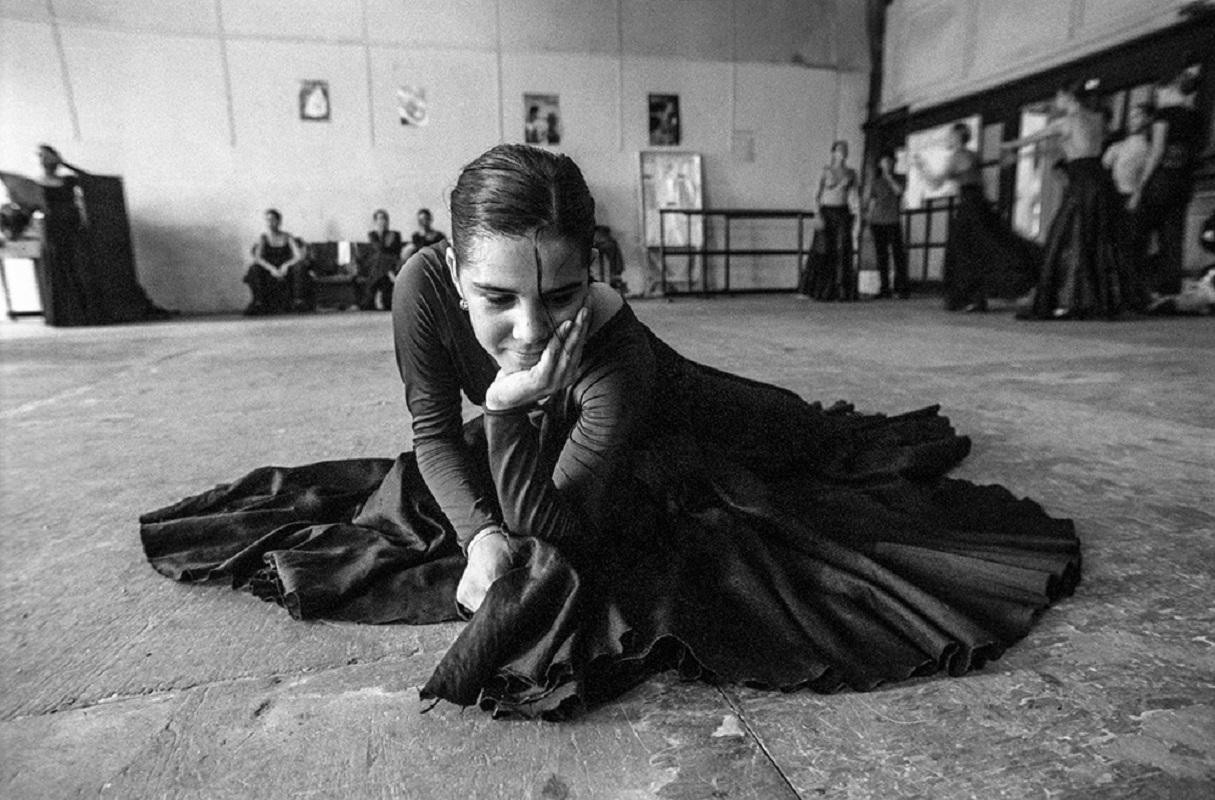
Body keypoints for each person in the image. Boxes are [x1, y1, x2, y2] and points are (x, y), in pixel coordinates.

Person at [141, 144, 1080, 720]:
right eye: (496, 299)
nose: (529, 327)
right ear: (450, 269)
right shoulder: (417, 288)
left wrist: (506, 411)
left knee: (789, 435)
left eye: (555, 295)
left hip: (671, 407)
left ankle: (818, 431)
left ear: (589, 272)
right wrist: (476, 534)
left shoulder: (611, 352)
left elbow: (555, 528)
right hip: (556, 428)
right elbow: (433, 427)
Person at [1001, 82, 1136, 320]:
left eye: (1059, 96)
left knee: (1062, 239)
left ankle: (1066, 299)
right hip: (1100, 182)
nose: (1056, 102)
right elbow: (1082, 146)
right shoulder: (1097, 120)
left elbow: (1032, 139)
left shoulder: (1064, 123)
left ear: (1069, 97)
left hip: (1081, 184)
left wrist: (1009, 146)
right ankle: (1098, 299)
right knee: (1097, 239)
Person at [915, 124, 1039, 312]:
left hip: (970, 206)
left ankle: (971, 298)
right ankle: (974, 298)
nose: (947, 139)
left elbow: (936, 182)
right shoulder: (970, 155)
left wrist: (922, 167)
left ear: (957, 137)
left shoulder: (959, 156)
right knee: (982, 248)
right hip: (976, 204)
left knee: (967, 251)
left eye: (950, 136)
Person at [1130, 70, 1202, 301]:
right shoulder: (1195, 117)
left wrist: (1140, 187)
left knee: (1140, 231)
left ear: (1169, 90)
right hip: (1184, 180)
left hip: (1161, 179)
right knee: (1173, 235)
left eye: (1159, 93)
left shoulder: (1164, 115)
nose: (1157, 97)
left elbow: (1157, 151)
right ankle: (1169, 289)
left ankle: (1135, 286)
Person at [799, 141, 859, 301]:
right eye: (839, 150)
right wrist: (817, 214)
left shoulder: (851, 173)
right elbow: (816, 195)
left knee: (843, 249)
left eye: (845, 150)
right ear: (833, 152)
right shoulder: (826, 171)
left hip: (843, 212)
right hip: (826, 211)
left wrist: (857, 217)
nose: (843, 152)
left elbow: (854, 196)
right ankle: (817, 290)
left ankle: (842, 291)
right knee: (822, 249)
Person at [863, 152, 909, 299]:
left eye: (890, 161)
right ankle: (884, 288)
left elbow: (899, 191)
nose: (887, 164)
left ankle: (902, 288)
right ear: (880, 164)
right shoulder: (875, 182)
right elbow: (871, 202)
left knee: (898, 255)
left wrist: (889, 178)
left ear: (893, 163)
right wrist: (868, 221)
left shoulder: (901, 177)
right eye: (884, 162)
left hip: (893, 220)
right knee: (882, 256)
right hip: (877, 221)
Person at [243, 208, 304, 315]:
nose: (269, 223)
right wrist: (272, 269)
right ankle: (259, 302)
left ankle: (297, 301)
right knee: (254, 269)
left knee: (299, 267)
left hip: (285, 269)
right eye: (267, 220)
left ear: (279, 221)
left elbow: (298, 256)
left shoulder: (287, 236)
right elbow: (258, 258)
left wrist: (285, 266)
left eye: (272, 220)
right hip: (269, 269)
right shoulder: (263, 237)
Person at [1102, 102, 1153, 204]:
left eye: (1137, 116)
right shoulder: (1118, 145)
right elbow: (1104, 166)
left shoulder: (1152, 148)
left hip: (1135, 196)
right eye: (1131, 117)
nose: (1132, 120)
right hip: (1114, 196)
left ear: (1149, 119)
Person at [358, 209, 404, 311]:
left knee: (382, 259)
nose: (382, 221)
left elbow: (395, 251)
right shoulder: (372, 234)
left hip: (392, 262)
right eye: (380, 219)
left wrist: (385, 236)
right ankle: (390, 274)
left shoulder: (395, 234)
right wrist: (381, 233)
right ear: (375, 221)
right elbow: (379, 248)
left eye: (384, 218)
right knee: (380, 258)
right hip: (375, 263)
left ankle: (372, 295)